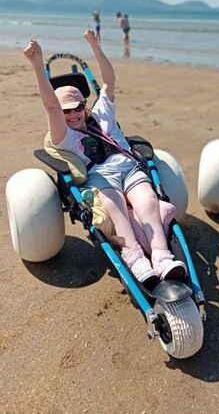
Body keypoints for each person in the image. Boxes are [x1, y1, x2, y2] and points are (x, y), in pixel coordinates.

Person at [23, 30, 187, 284]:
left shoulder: (102, 114)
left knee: (147, 201)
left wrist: (96, 48)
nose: (73, 114)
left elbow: (109, 82)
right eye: (66, 111)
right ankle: (135, 258)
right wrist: (37, 65)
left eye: (77, 107)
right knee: (114, 207)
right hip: (101, 178)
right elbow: (51, 106)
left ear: (84, 105)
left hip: (130, 170)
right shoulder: (63, 135)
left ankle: (162, 256)